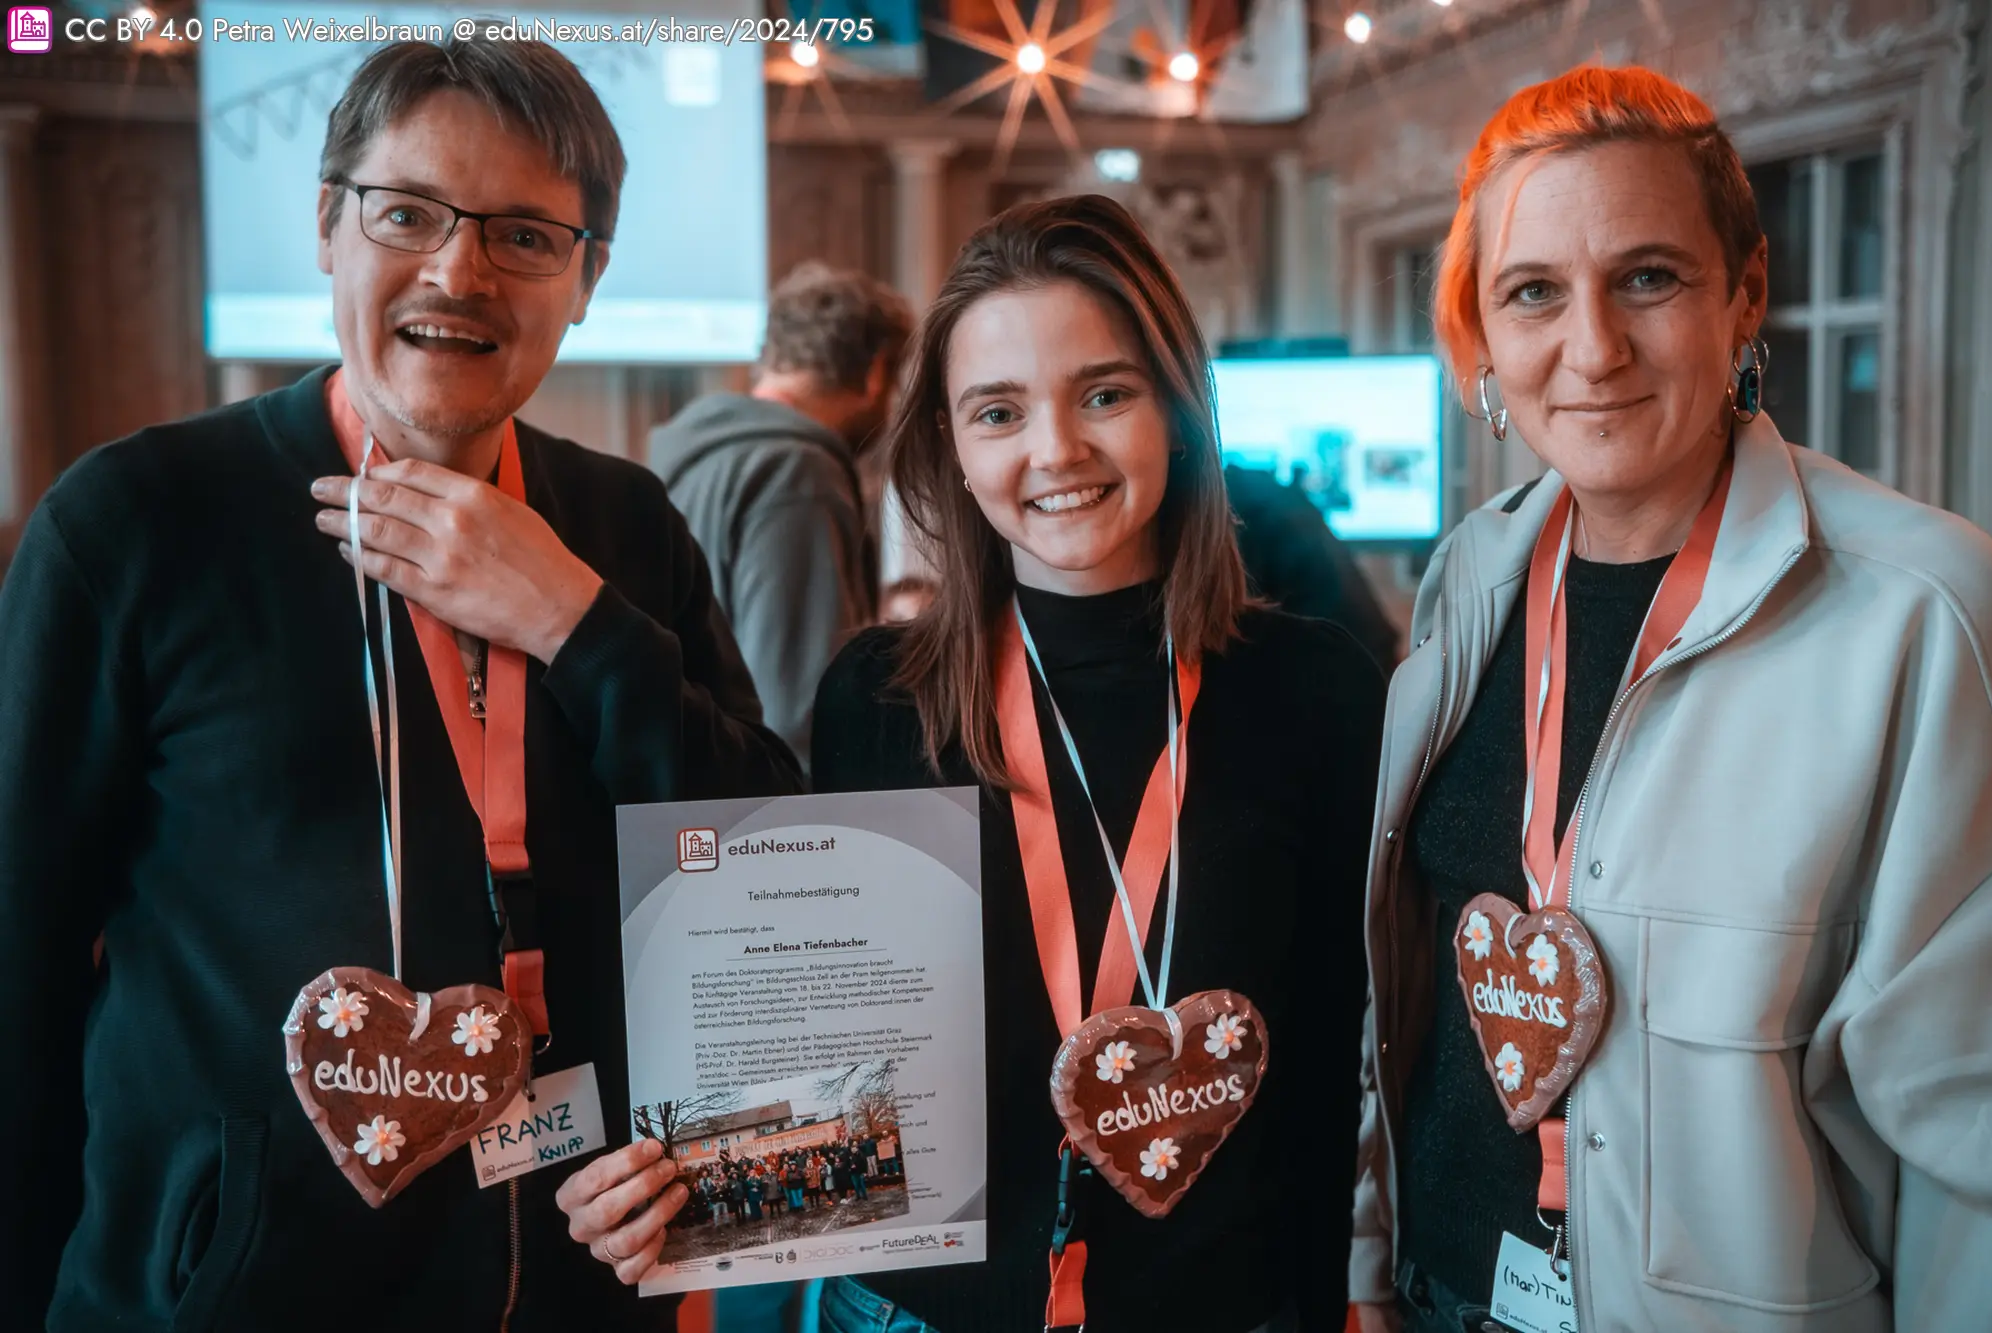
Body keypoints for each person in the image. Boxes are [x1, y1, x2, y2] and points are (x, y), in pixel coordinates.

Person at [0, 37, 802, 1332]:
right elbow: (21, 967)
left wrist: (575, 621)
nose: (459, 270)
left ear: (589, 276)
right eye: (409, 212)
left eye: (527, 236)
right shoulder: (136, 526)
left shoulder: (624, 527)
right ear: (328, 223)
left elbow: (756, 862)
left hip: (580, 1290)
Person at [1349, 65, 1992, 1333]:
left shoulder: (1921, 613)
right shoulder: (1469, 577)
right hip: (1440, 1289)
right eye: (1533, 293)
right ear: (1480, 338)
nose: (1590, 350)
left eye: (1646, 277)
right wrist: (1366, 1266)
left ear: (1741, 293)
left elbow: (1968, 1142)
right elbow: (1410, 991)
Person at [812, 194, 1386, 1333]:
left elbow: (1336, 1055)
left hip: (1221, 1304)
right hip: (919, 1310)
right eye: (998, 412)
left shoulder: (1314, 687)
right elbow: (835, 1051)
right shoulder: (878, 698)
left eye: (1103, 393)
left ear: (1175, 410)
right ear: (952, 451)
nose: (1055, 450)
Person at [650, 261, 914, 777]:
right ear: (878, 370)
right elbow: (800, 706)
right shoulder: (798, 473)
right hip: (775, 823)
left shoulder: (696, 455)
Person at [1222, 462, 1402, 674]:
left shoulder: (1240, 510)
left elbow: (1235, 629)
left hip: (1344, 671)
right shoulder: (1267, 493)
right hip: (1371, 656)